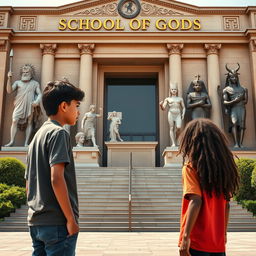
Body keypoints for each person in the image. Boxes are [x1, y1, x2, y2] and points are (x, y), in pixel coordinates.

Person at [25, 80, 85, 256]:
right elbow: (56, 178)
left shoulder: (36, 138)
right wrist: (70, 219)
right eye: (77, 105)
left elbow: (28, 183)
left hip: (37, 223)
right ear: (64, 106)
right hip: (58, 224)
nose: (78, 111)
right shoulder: (59, 133)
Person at [177, 118, 239, 256]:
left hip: (196, 241)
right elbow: (226, 205)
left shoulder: (190, 168)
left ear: (191, 141)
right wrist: (223, 233)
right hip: (217, 243)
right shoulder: (224, 170)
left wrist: (186, 237)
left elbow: (196, 200)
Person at [5, 64, 42, 147]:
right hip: (19, 104)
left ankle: (26, 142)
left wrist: (37, 101)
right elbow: (9, 90)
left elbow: (40, 94)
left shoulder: (35, 83)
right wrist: (9, 78)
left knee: (29, 122)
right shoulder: (17, 82)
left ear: (31, 74)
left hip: (30, 105)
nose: (25, 73)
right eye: (23, 72)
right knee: (14, 120)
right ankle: (11, 141)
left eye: (27, 72)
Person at [223, 63, 248, 148]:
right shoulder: (226, 89)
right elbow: (225, 102)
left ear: (237, 77)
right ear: (229, 78)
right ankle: (236, 144)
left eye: (235, 77)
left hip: (241, 108)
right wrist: (234, 101)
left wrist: (240, 100)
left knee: (242, 125)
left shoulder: (243, 89)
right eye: (232, 77)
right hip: (233, 108)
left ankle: (241, 143)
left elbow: (245, 101)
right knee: (234, 123)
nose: (234, 79)